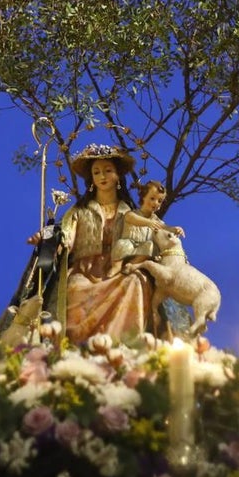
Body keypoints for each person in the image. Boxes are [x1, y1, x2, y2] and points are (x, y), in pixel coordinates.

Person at [44, 143, 155, 342]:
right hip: (84, 271)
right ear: (91, 179)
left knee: (137, 282)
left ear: (118, 175)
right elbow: (66, 235)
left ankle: (126, 344)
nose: (102, 176)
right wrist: (53, 242)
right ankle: (77, 344)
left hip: (119, 270)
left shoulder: (129, 213)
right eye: (97, 172)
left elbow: (143, 242)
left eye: (108, 171)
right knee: (74, 288)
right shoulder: (80, 210)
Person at [111, 181, 184, 275]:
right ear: (143, 197)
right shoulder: (132, 213)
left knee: (150, 246)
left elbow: (164, 227)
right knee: (121, 244)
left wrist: (174, 229)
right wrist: (148, 222)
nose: (156, 203)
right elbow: (132, 218)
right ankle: (115, 267)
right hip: (128, 246)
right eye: (152, 198)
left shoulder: (156, 220)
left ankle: (132, 264)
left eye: (159, 201)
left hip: (141, 252)